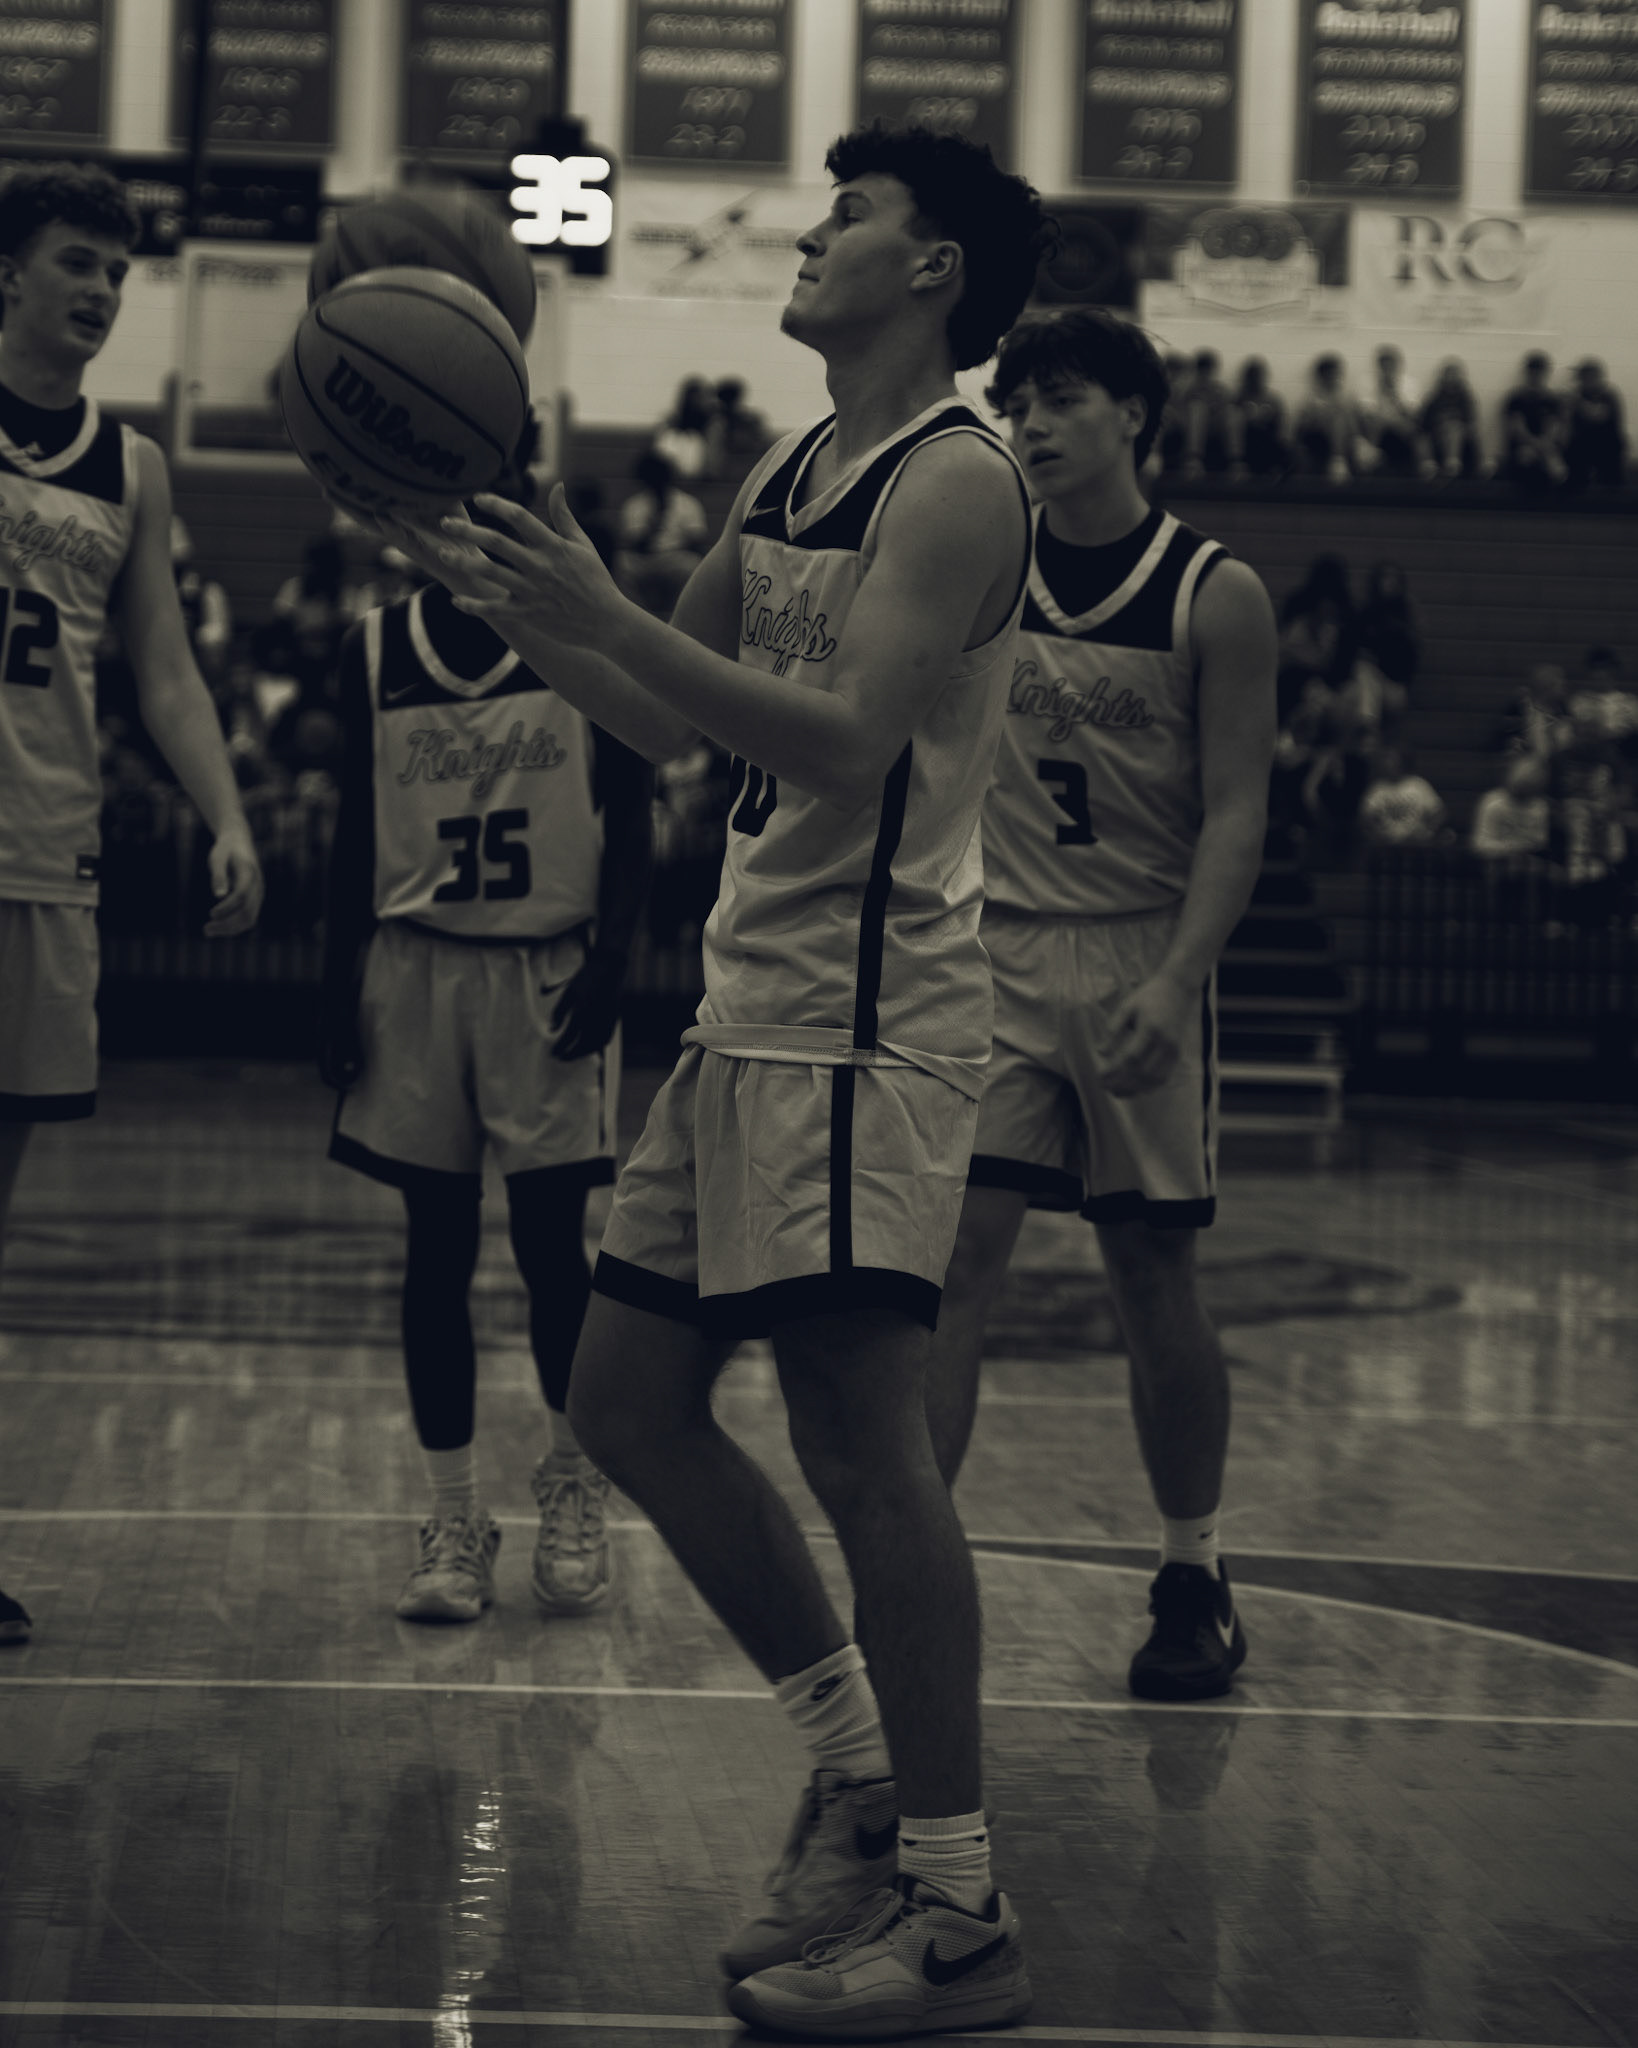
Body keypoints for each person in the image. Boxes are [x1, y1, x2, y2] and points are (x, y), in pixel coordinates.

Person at [383, 120, 1048, 2038]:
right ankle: (859, 1773)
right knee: (622, 1394)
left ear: (930, 269)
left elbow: (842, 745)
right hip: (746, 1008)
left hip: (865, 1021)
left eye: (849, 214)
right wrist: (501, 575)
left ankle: (957, 1901)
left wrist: (597, 609)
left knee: (860, 1438)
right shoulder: (793, 463)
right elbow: (656, 715)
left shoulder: (954, 477)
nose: (811, 235)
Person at [918, 305, 1275, 1704]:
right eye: (1016, 403)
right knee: (952, 1265)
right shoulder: (984, 567)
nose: (1031, 424)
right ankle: (909, 1565)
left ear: (1133, 413)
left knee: (1149, 1275)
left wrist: (1178, 981)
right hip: (995, 951)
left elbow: (1236, 811)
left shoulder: (1212, 593)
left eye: (1061, 398)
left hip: (1140, 955)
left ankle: (1193, 1572)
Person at [0, 162, 264, 1645]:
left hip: (46, 859)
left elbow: (163, 671)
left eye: (117, 271)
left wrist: (227, 815)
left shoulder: (132, 466)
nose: (102, 291)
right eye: (75, 263)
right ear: (7, 274)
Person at [319, 457, 653, 1628]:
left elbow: (633, 811)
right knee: (436, 1252)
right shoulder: (372, 648)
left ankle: (573, 1477)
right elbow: (354, 827)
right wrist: (334, 980)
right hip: (413, 968)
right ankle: (454, 1516)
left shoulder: (580, 637)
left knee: (555, 1250)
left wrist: (616, 958)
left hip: (547, 966)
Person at [615, 448, 709, 618]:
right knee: (622, 564)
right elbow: (634, 544)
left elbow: (697, 540)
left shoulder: (688, 503)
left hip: (676, 556)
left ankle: (679, 615)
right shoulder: (635, 505)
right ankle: (638, 616)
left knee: (692, 565)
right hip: (644, 559)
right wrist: (654, 521)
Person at [1294, 354, 1367, 483]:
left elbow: (1355, 419)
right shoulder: (1312, 397)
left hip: (1345, 437)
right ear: (1323, 376)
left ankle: (1357, 447)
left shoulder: (1346, 396)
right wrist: (1323, 413)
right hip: (1318, 438)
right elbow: (1302, 426)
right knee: (1336, 416)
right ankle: (1338, 459)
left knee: (1343, 414)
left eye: (1337, 374)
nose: (1336, 378)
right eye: (1332, 374)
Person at [1500, 351, 1567, 490]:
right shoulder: (1516, 399)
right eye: (1533, 371)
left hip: (1546, 446)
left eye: (1539, 372)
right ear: (1527, 373)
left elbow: (1554, 428)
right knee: (1527, 458)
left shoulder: (1552, 400)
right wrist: (1536, 446)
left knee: (1558, 469)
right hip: (1523, 446)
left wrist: (1544, 447)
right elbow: (1517, 429)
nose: (1536, 375)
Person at [1357, 747, 1446, 849]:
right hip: (1385, 847)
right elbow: (1364, 818)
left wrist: (1428, 832)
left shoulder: (1418, 785)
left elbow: (1439, 813)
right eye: (1386, 759)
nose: (1387, 763)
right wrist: (1376, 834)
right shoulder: (1377, 788)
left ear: (1402, 761)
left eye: (1391, 759)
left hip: (1415, 847)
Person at [1471, 755, 1549, 862]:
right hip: (1496, 861)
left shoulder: (1539, 807)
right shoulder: (1493, 803)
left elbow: (1539, 842)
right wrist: (1514, 847)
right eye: (1524, 785)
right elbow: (1480, 845)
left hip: (1528, 861)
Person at [1360, 344, 1424, 478]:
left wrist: (1394, 393)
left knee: (1416, 431)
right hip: (1378, 421)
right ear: (1379, 367)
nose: (1387, 370)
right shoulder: (1367, 383)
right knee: (1375, 422)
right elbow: (1367, 412)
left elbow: (1412, 413)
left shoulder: (1410, 383)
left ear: (1397, 366)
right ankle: (1371, 457)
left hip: (1402, 421)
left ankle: (1422, 468)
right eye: (1384, 366)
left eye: (1390, 366)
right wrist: (1380, 391)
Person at [1563, 359, 1626, 490]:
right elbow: (1568, 424)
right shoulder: (1579, 395)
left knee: (1610, 483)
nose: (1584, 381)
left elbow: (1597, 415)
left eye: (1588, 378)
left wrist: (1576, 400)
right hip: (1584, 445)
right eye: (1583, 378)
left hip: (1607, 445)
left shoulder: (1608, 395)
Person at [1417, 358, 1483, 479]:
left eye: (1454, 375)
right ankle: (1428, 465)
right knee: (1420, 436)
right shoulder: (1435, 398)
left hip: (1459, 435)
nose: (1451, 378)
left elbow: (1471, 422)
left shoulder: (1466, 398)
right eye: (1449, 374)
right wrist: (1441, 423)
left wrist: (1452, 422)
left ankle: (1452, 463)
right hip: (1437, 434)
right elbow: (1424, 422)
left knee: (1454, 428)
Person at [1180, 347, 1235, 477]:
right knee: (1197, 408)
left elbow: (1226, 408)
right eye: (1202, 370)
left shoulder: (1220, 389)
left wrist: (1216, 408)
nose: (1205, 373)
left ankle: (1235, 461)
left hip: (1215, 426)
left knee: (1234, 413)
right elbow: (1180, 409)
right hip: (1192, 425)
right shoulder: (1188, 388)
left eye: (1208, 369)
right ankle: (1193, 458)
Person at [1232, 356, 1289, 478]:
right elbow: (1232, 423)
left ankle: (1275, 467)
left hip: (1268, 436)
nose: (1256, 379)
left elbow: (1281, 421)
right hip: (1248, 437)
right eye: (1253, 376)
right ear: (1248, 378)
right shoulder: (1240, 397)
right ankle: (1241, 465)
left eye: (1259, 376)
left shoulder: (1273, 398)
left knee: (1280, 440)